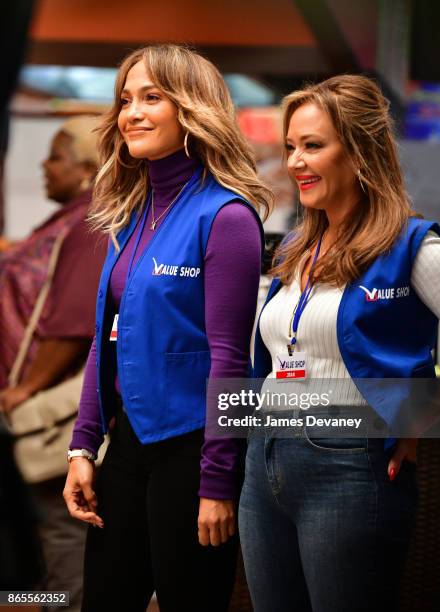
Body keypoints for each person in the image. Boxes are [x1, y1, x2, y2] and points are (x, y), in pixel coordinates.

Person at [63, 44, 272, 612]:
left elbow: (232, 361)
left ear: (192, 108)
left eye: (151, 97)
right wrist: (83, 446)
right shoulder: (129, 217)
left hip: (193, 452)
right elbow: (105, 341)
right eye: (126, 99)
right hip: (128, 445)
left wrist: (218, 481)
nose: (132, 112)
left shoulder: (226, 217)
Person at [238, 75, 440, 612]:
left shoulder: (412, 244)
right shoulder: (295, 247)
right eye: (290, 147)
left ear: (360, 153)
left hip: (349, 469)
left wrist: (419, 414)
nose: (295, 161)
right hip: (264, 458)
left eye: (313, 146)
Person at [0, 116, 106, 611]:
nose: (44, 165)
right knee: (47, 540)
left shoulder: (88, 223)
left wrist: (27, 389)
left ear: (87, 168)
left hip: (54, 409)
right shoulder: (67, 219)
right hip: (43, 402)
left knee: (61, 532)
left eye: (56, 155)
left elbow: (72, 320)